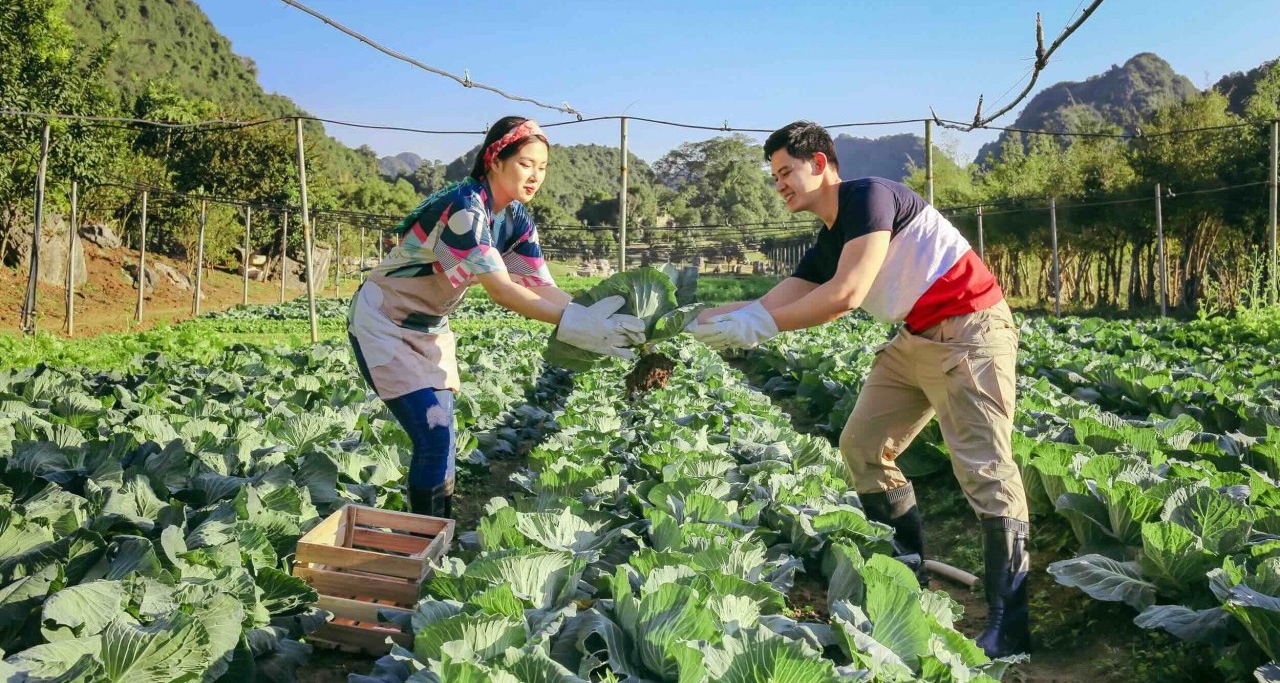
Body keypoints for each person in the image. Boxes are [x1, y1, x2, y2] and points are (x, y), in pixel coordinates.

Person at [690, 120, 1030, 658]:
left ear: (820, 164)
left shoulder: (869, 198)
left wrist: (761, 326)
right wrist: (690, 321)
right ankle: (907, 580)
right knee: (863, 447)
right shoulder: (831, 237)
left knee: (985, 469)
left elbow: (846, 296)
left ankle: (1010, 624)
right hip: (916, 336)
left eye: (786, 172)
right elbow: (773, 300)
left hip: (971, 331)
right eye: (774, 174)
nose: (779, 184)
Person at [347, 116, 646, 519]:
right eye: (526, 163)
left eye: (543, 167)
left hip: (431, 329)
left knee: (444, 435)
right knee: (434, 434)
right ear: (495, 160)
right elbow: (503, 290)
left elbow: (540, 286)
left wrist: (590, 314)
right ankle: (427, 539)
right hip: (385, 322)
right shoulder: (465, 210)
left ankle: (438, 535)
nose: (535, 175)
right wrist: (575, 324)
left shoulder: (516, 218)